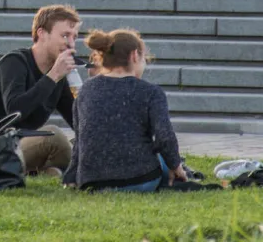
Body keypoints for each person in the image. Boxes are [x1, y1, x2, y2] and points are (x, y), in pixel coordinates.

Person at [64, 28, 185, 193]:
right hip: (140, 180)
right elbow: (165, 139)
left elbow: (80, 140)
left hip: (93, 182)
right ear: (134, 55)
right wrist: (177, 167)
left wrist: (70, 178)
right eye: (144, 58)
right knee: (164, 158)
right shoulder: (150, 92)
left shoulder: (85, 90)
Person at [0, 5, 80, 177]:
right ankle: (47, 170)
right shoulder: (14, 62)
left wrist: (96, 84)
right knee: (55, 137)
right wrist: (53, 75)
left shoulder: (58, 75)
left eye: (74, 37)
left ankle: (42, 171)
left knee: (75, 140)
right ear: (42, 34)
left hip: (26, 145)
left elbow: (76, 119)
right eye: (64, 36)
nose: (71, 44)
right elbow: (16, 110)